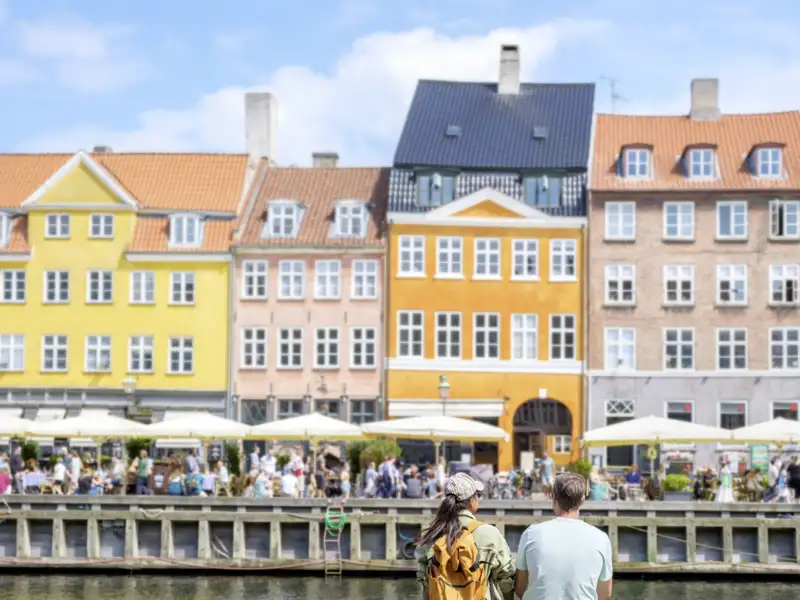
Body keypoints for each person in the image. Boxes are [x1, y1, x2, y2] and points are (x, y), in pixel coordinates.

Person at [416, 473, 514, 600]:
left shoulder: (432, 535)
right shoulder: (490, 534)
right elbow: (506, 580)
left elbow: (425, 585)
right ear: (471, 501)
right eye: (477, 495)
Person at [515, 472, 613, 600]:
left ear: (553, 498)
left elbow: (519, 588)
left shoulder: (531, 534)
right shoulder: (601, 539)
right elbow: (605, 593)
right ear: (582, 500)